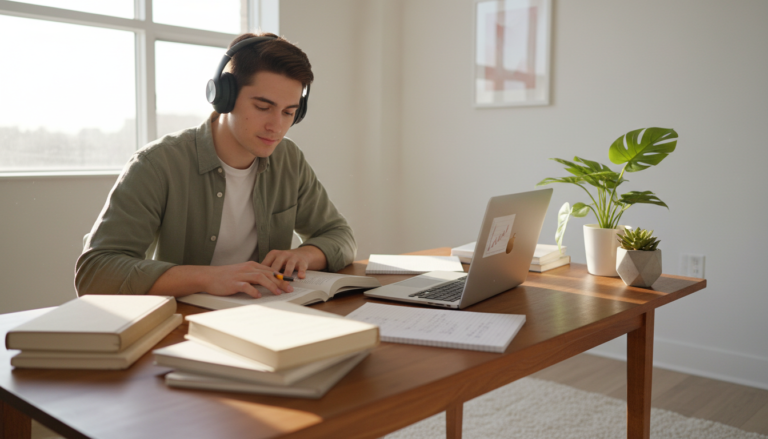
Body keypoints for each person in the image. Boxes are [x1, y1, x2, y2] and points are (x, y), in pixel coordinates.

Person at [75, 32, 356, 299]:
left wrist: (304, 254)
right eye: (262, 107)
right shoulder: (157, 164)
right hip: (185, 321)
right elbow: (95, 271)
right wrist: (208, 278)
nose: (277, 126)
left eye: (289, 112)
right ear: (224, 96)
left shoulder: (288, 159)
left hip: (267, 313)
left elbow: (340, 235)